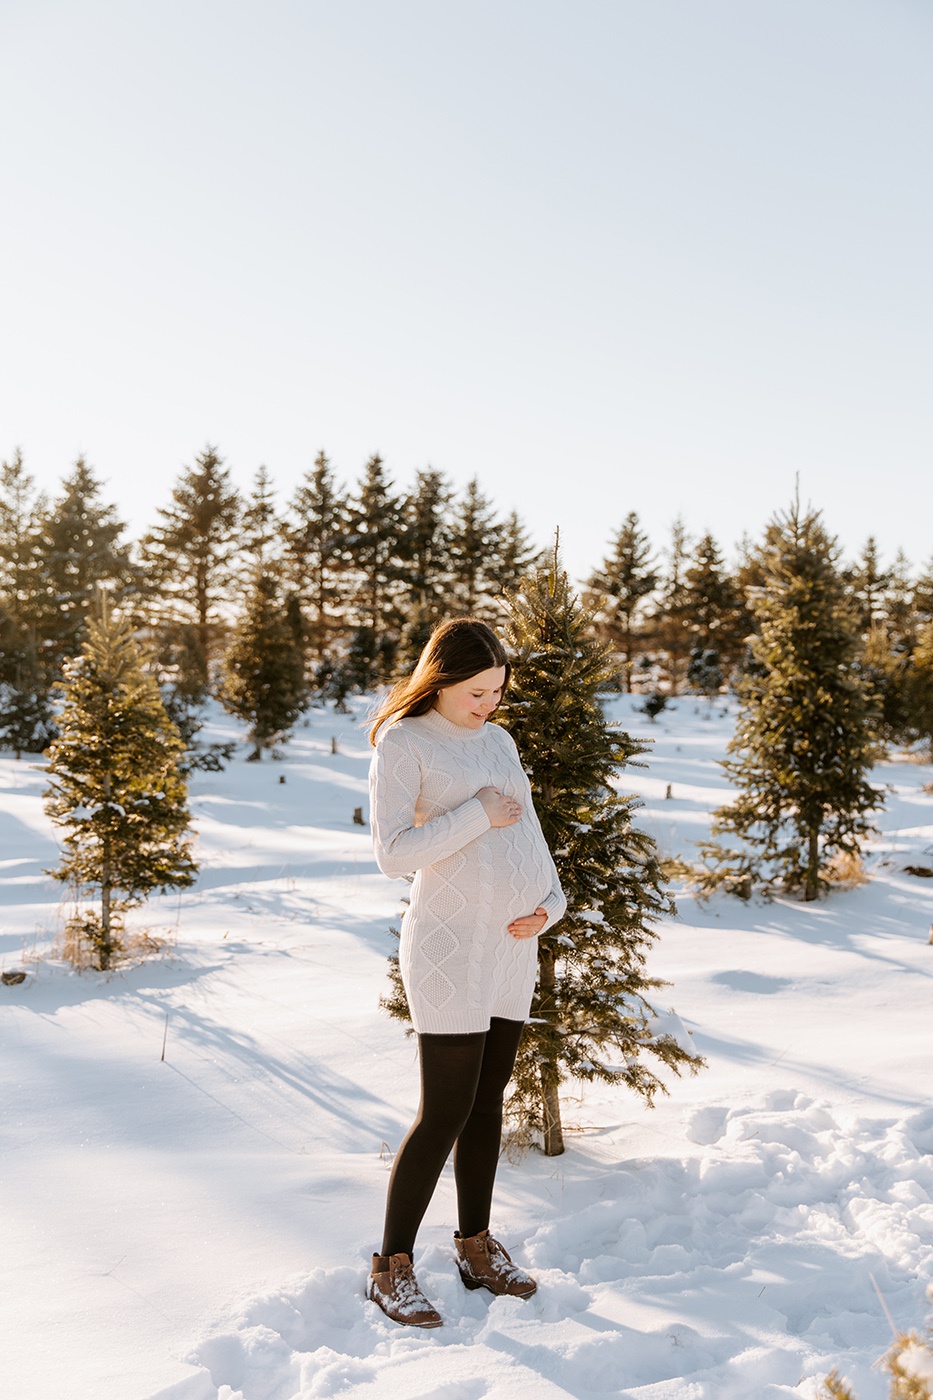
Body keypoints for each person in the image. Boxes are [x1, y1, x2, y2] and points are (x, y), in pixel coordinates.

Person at [366, 617, 567, 1328]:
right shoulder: (404, 742)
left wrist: (551, 902)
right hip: (449, 945)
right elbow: (392, 852)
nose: (488, 706)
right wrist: (478, 813)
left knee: (487, 1104)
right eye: (477, 692)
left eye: (497, 693)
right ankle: (390, 1268)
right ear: (441, 679)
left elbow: (532, 830)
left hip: (513, 946)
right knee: (443, 1112)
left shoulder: (500, 740)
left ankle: (475, 1248)